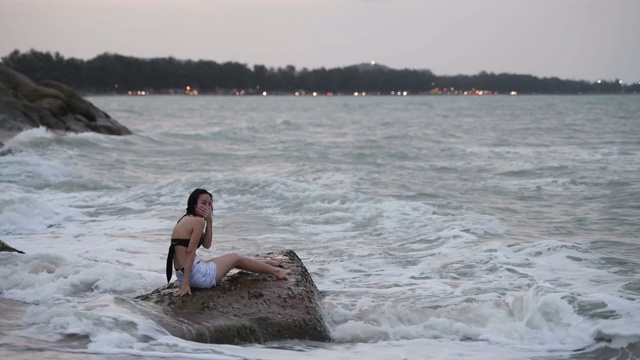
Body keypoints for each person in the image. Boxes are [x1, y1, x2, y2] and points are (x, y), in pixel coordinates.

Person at [166, 188, 290, 297]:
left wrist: (209, 221)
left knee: (231, 260)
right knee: (235, 258)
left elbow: (206, 244)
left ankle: (271, 264)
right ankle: (277, 272)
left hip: (184, 274)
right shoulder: (198, 222)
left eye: (210, 204)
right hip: (196, 277)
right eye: (203, 203)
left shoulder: (185, 219)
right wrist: (186, 285)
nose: (207, 207)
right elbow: (190, 252)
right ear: (194, 204)